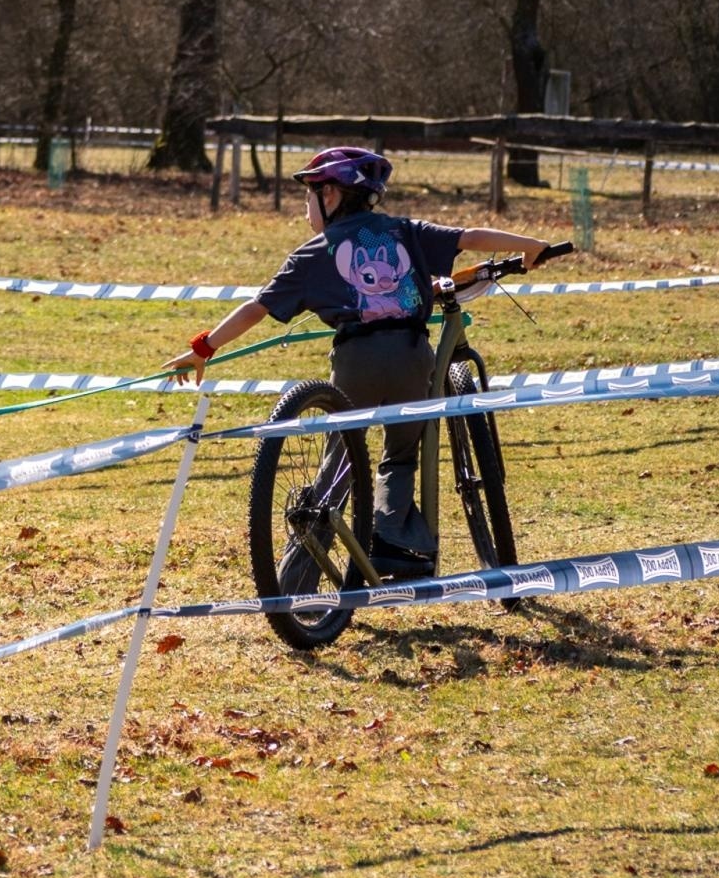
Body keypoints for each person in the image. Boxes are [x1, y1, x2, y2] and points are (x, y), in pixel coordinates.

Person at [162, 146, 555, 577]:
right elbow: (470, 237)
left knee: (339, 462)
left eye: (308, 197)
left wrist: (203, 348)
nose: (305, 208)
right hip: (411, 356)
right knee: (402, 454)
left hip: (355, 361)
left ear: (330, 195)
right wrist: (531, 245)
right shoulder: (405, 230)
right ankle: (393, 543)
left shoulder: (313, 252)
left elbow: (257, 308)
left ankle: (298, 580)